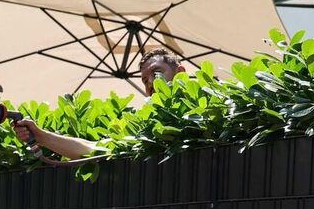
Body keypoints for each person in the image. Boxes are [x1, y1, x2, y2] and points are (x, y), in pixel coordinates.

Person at [13, 49, 187, 159]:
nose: (150, 82)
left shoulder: (204, 109)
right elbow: (95, 148)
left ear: (180, 72)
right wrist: (42, 136)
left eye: (157, 73)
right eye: (144, 79)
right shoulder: (145, 126)